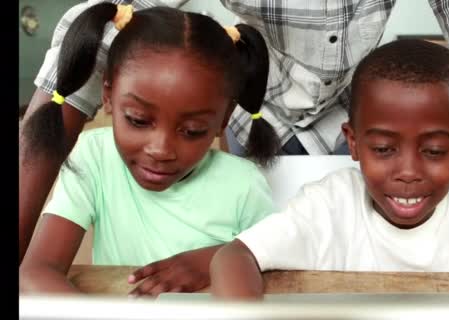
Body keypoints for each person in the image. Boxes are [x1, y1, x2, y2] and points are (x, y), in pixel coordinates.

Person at [19, 0, 449, 266]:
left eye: (435, 150)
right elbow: (92, 27)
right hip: (254, 112)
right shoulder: (102, 165)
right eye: (139, 120)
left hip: (351, 116)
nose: (163, 149)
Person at [208, 39, 449, 300]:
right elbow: (234, 257)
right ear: (353, 143)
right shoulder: (330, 203)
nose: (408, 171)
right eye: (384, 149)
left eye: (435, 150)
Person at [19, 3, 279, 297]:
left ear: (224, 119)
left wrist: (215, 260)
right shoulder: (94, 157)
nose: (161, 149)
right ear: (108, 95)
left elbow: (276, 261)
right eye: (138, 120)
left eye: (192, 131)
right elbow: (36, 271)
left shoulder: (243, 183)